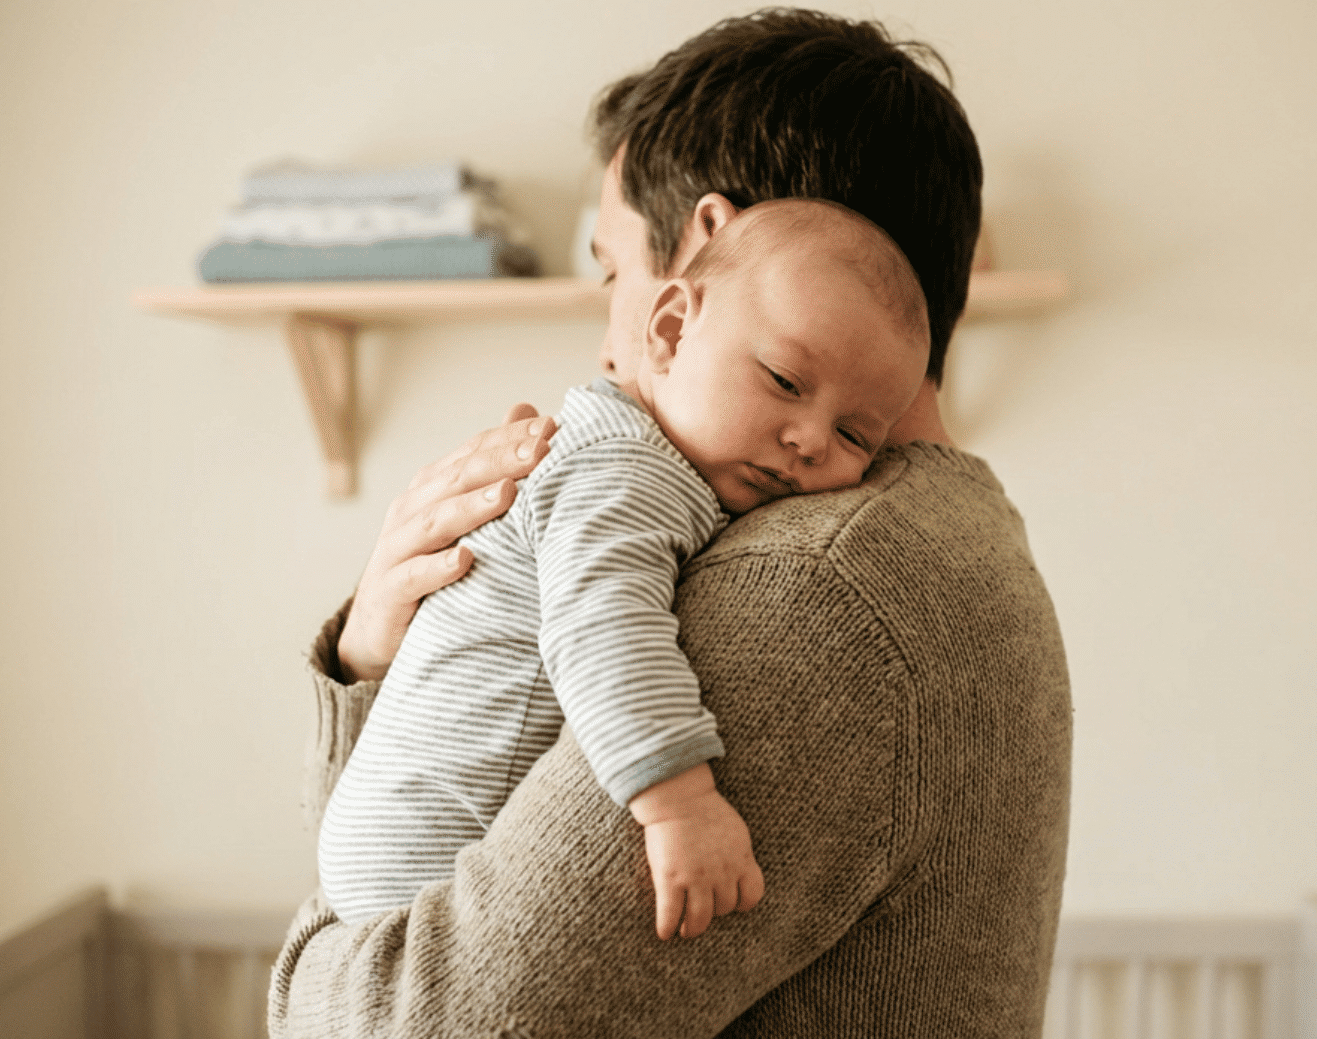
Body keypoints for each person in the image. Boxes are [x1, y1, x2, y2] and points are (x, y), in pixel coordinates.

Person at [269, 9, 1072, 1039]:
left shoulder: (810, 595)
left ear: (696, 257)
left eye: (611, 271)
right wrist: (380, 666)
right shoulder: (924, 537)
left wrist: (321, 942)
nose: (607, 342)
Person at [317, 199, 930, 941]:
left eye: (854, 434)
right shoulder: (628, 470)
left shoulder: (632, 455)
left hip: (398, 833)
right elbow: (603, 629)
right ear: (671, 331)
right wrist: (679, 802)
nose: (806, 440)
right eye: (784, 380)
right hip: (430, 846)